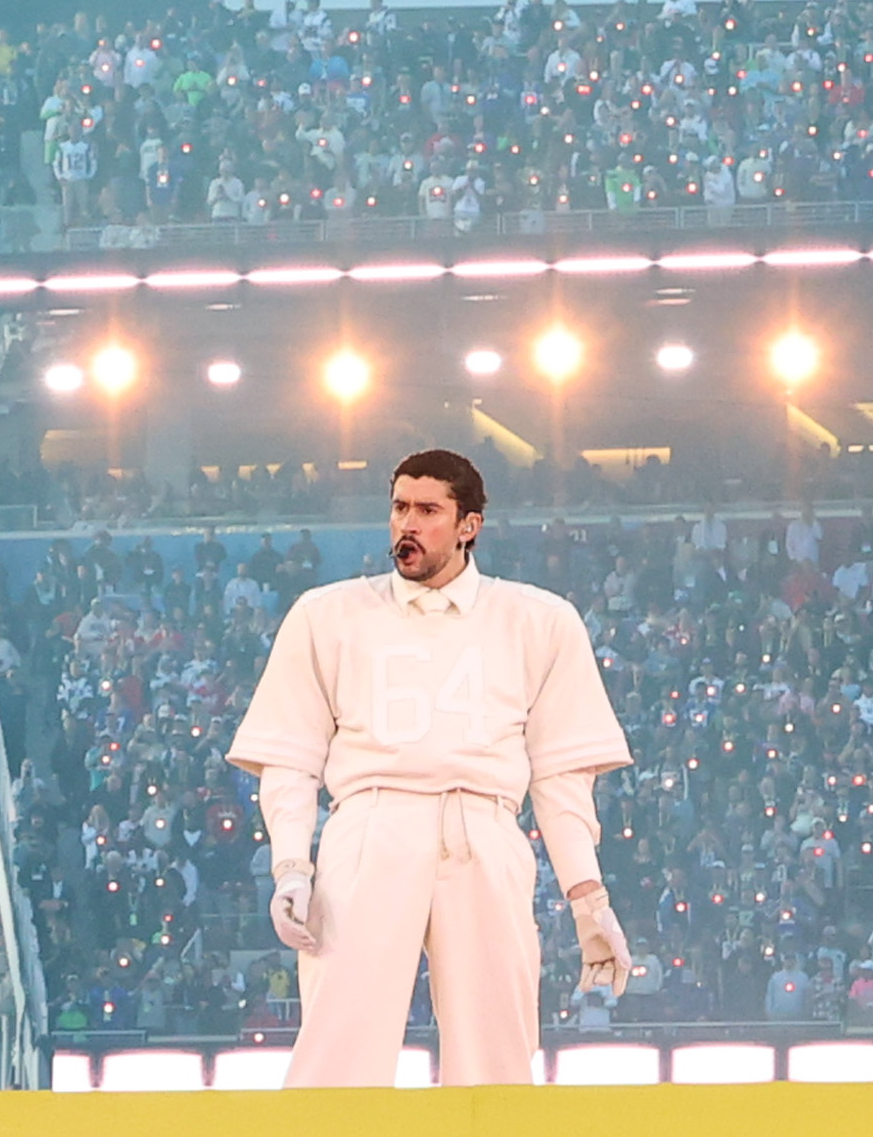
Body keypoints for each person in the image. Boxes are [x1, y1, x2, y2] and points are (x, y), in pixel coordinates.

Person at [227, 447, 633, 1087]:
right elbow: (289, 757)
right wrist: (290, 866)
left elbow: (561, 776)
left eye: (427, 510)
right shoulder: (326, 614)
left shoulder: (539, 620)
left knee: (497, 1049)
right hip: (368, 822)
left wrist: (589, 899)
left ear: (468, 524)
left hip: (485, 823)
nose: (406, 525)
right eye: (398, 508)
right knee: (339, 1044)